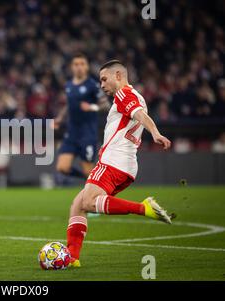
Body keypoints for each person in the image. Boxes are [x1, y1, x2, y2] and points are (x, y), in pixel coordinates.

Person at [65, 60, 175, 268]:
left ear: (118, 75)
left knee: (88, 202)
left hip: (113, 162)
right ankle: (72, 257)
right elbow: (140, 114)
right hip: (126, 166)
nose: (102, 85)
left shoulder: (124, 94)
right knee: (78, 205)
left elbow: (141, 116)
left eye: (104, 79)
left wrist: (156, 133)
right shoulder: (136, 97)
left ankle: (143, 208)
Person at [54, 53, 107, 180]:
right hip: (71, 133)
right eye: (76, 64)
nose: (79, 67)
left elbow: (106, 105)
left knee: (88, 169)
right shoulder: (69, 85)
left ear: (87, 67)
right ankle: (87, 178)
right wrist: (60, 118)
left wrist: (92, 107)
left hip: (87, 134)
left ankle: (92, 181)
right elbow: (69, 104)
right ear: (72, 67)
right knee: (62, 167)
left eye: (82, 64)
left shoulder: (92, 85)